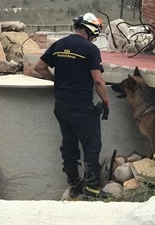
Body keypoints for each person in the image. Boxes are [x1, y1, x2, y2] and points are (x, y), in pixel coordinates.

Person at [34, 12, 109, 198]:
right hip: (81, 106)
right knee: (91, 146)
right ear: (90, 30)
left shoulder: (59, 44)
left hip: (61, 105)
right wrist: (106, 102)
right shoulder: (90, 50)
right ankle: (92, 188)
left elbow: (39, 67)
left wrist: (56, 82)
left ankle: (75, 186)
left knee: (68, 146)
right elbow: (98, 81)